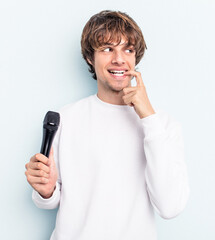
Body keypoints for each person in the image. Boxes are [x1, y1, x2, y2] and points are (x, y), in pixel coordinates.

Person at [25, 10, 190, 240]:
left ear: (135, 58)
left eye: (128, 49)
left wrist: (148, 118)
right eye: (107, 49)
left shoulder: (163, 125)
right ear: (89, 58)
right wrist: (46, 191)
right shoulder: (67, 118)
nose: (119, 59)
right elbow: (48, 200)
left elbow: (170, 206)